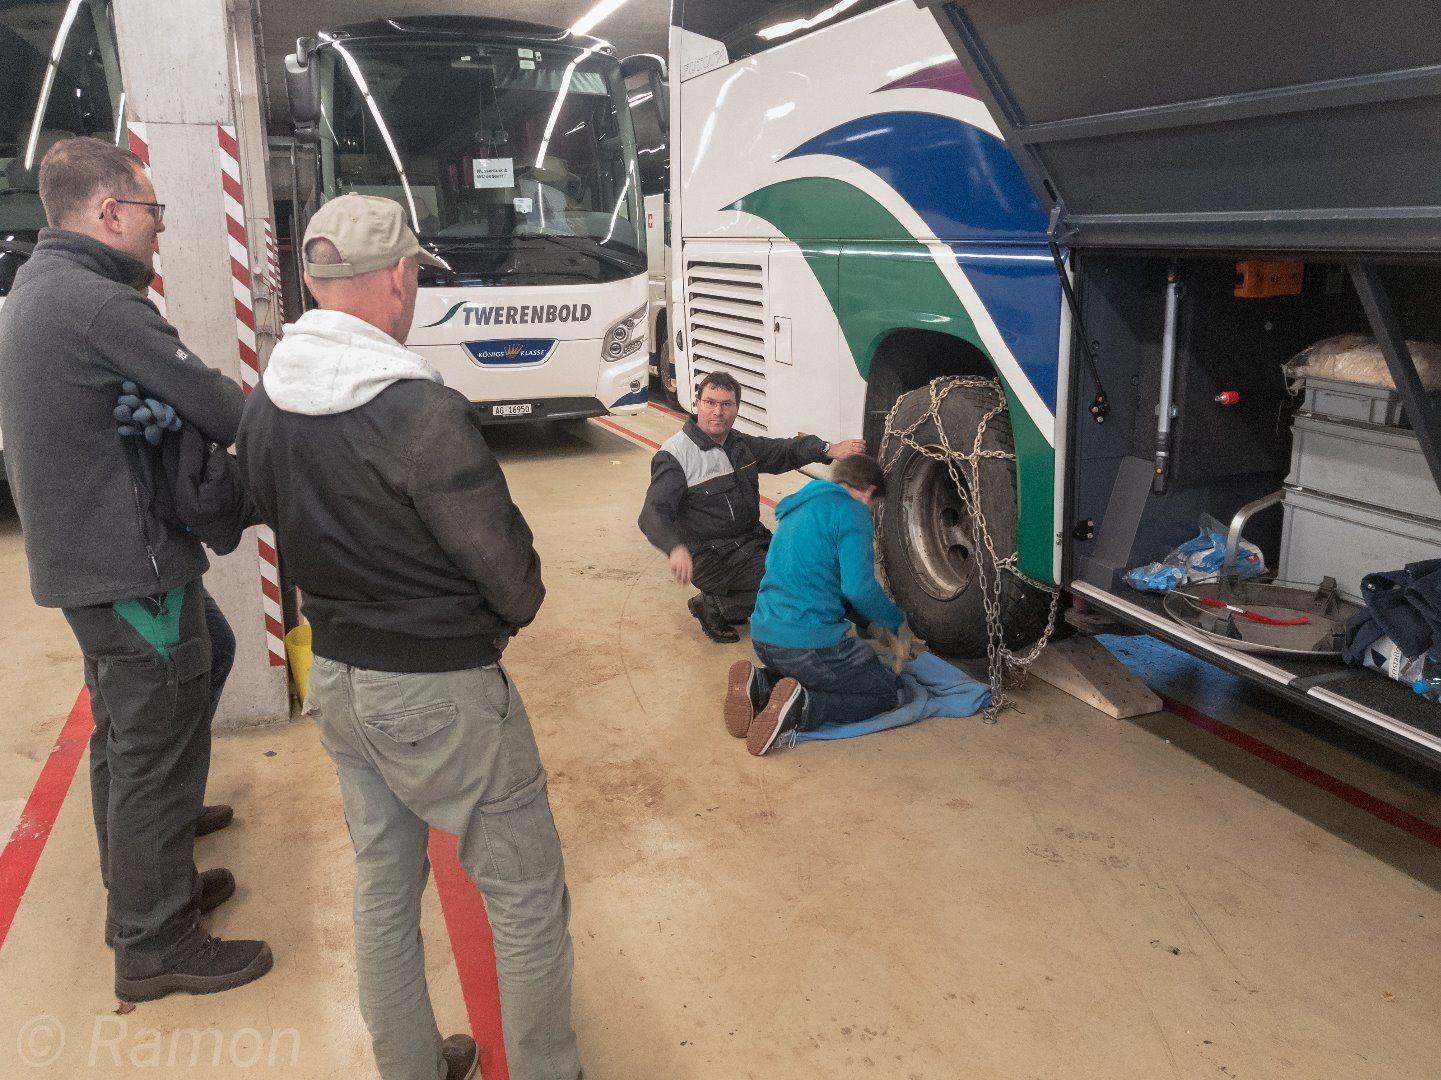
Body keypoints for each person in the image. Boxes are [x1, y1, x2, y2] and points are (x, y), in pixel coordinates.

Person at [236, 193, 580, 1080]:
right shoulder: (419, 413)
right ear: (396, 276)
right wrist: (491, 623)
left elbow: (248, 511)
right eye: (415, 277)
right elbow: (511, 577)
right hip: (439, 691)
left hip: (337, 678)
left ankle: (412, 1067)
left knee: (384, 887)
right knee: (525, 896)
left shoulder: (267, 403)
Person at [0, 136, 270, 1000]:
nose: (160, 227)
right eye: (153, 211)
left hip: (89, 559)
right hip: (128, 565)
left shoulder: (39, 287)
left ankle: (143, 869)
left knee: (176, 684)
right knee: (153, 736)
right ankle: (155, 938)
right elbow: (223, 408)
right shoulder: (98, 304)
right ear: (110, 211)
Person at [638, 371, 866, 642]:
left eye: (726, 404)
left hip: (751, 542)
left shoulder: (738, 444)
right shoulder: (675, 456)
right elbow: (652, 513)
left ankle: (869, 619)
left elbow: (784, 450)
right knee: (796, 581)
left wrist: (827, 449)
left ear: (737, 408)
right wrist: (674, 547)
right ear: (697, 403)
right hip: (710, 556)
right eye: (710, 403)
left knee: (818, 560)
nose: (718, 412)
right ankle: (716, 605)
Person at [724, 454, 909, 756]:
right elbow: (858, 587)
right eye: (875, 505)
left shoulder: (799, 506)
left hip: (765, 637)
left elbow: (823, 582)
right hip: (807, 645)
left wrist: (869, 624)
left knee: (814, 671)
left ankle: (760, 683)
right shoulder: (852, 511)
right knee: (885, 691)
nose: (872, 512)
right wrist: (895, 622)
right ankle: (803, 707)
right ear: (869, 493)